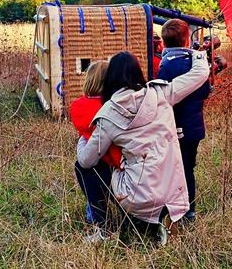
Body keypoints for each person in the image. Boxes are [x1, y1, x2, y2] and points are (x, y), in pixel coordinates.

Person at [75, 49, 209, 244]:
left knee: (83, 167)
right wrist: (196, 54)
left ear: (110, 78)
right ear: (138, 71)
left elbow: (86, 160)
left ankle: (103, 229)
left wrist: (83, 137)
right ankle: (163, 216)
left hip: (138, 196)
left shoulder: (109, 114)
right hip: (173, 191)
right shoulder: (162, 93)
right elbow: (199, 75)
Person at [156, 19, 211, 221]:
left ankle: (176, 209)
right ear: (187, 40)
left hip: (175, 127)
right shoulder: (195, 64)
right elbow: (205, 90)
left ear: (163, 42)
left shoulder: (167, 67)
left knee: (174, 169)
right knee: (188, 167)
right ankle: (190, 209)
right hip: (195, 126)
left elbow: (160, 99)